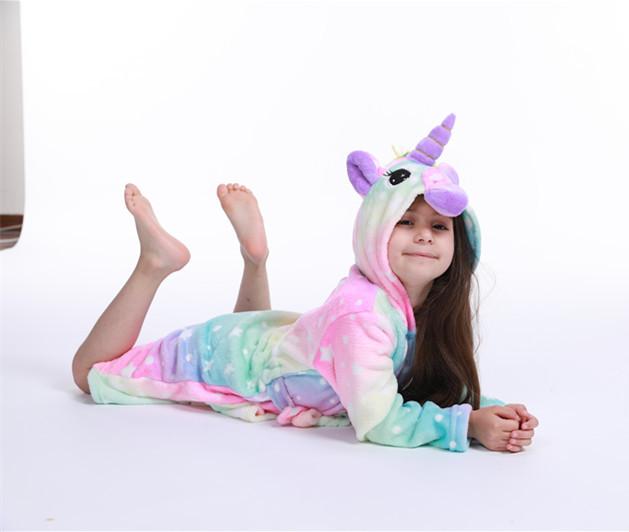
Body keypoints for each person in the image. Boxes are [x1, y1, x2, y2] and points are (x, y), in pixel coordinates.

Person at [71, 113, 539, 453]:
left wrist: (487, 411)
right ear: (374, 230)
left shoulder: (428, 304)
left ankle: (255, 259)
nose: (424, 235)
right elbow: (379, 420)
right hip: (233, 355)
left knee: (248, 335)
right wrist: (464, 426)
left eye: (438, 227)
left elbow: (419, 385)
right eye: (406, 221)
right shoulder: (362, 315)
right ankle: (154, 264)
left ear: (460, 243)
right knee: (90, 374)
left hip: (267, 344)